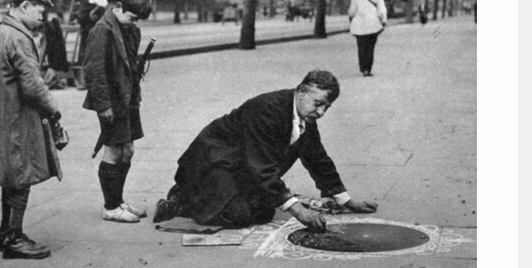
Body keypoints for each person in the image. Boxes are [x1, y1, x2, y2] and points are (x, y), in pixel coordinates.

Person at [153, 69, 377, 230]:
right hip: (211, 162)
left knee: (262, 211)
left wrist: (345, 200)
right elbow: (263, 166)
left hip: (240, 165)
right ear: (301, 91)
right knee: (238, 215)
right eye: (318, 103)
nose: (321, 112)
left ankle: (208, 197)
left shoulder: (303, 116)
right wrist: (299, 211)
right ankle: (183, 197)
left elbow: (317, 158)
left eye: (327, 107)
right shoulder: (267, 109)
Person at [0, 0, 67, 259]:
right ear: (25, 5)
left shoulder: (3, 32)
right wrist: (54, 111)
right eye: (39, 9)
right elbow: (32, 85)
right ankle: (14, 239)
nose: (42, 15)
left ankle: (6, 233)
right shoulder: (18, 37)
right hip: (16, 119)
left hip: (2, 117)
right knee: (21, 176)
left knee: (12, 176)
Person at [83, 0, 153, 223]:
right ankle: (111, 207)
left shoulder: (130, 30)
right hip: (111, 102)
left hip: (127, 99)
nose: (136, 23)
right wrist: (104, 106)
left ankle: (118, 200)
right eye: (133, 17)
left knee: (128, 150)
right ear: (118, 7)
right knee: (113, 151)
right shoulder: (101, 30)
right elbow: (94, 71)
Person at [347, 0, 388, 76]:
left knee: (361, 47)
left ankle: (362, 67)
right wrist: (383, 21)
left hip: (359, 26)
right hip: (373, 25)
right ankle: (368, 69)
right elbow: (382, 10)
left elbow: (351, 12)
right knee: (370, 47)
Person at [77, 0, 109, 68]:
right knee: (85, 47)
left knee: (89, 48)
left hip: (90, 26)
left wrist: (93, 12)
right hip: (85, 26)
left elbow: (104, 3)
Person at [42, 7, 70, 89]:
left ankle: (53, 73)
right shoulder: (51, 25)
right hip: (59, 59)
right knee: (56, 38)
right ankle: (55, 72)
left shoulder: (46, 26)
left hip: (52, 60)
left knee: (53, 40)